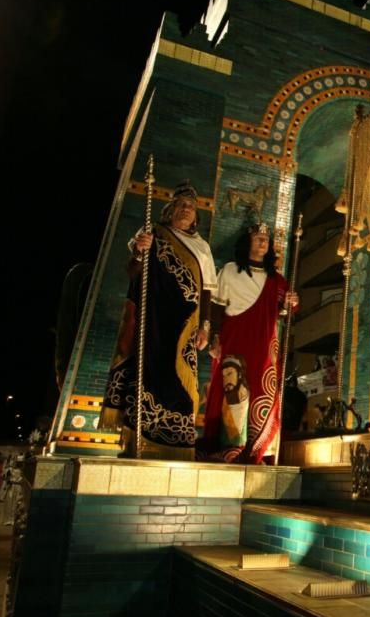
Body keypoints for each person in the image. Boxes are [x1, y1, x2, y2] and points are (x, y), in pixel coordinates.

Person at [100, 181, 217, 460]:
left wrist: (205, 327)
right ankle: (138, 440)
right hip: (153, 321)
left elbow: (208, 290)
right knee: (146, 375)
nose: (185, 210)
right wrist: (141, 250)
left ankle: (177, 443)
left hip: (185, 325)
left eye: (190, 207)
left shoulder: (202, 248)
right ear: (170, 210)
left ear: (196, 216)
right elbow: (132, 271)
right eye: (179, 205)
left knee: (182, 384)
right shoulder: (153, 233)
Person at [202, 222, 297, 463]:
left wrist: (291, 301)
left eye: (266, 238)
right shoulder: (230, 271)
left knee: (260, 392)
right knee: (232, 388)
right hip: (234, 338)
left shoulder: (276, 279)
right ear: (247, 243)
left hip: (264, 344)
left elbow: (287, 308)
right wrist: (214, 337)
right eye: (257, 237)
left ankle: (255, 449)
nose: (263, 242)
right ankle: (227, 446)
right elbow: (216, 307)